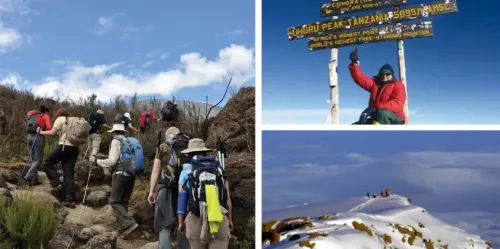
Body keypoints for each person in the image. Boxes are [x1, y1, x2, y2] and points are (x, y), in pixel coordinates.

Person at [177, 138, 233, 249]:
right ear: (205, 152)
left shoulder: (186, 172)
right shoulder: (219, 169)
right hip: (219, 219)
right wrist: (230, 219)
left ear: (189, 154)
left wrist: (181, 222)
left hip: (196, 219)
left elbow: (182, 198)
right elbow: (227, 198)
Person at [95, 123, 139, 239]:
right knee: (123, 202)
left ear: (114, 132)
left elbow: (112, 161)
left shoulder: (115, 141)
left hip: (120, 174)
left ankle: (129, 223)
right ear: (124, 132)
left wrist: (98, 162)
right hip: (132, 174)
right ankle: (123, 230)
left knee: (114, 201)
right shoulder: (130, 142)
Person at [148, 127, 190, 249]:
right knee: (184, 221)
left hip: (166, 188)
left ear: (167, 136)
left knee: (164, 223)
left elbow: (156, 169)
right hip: (185, 189)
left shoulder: (163, 147)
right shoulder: (188, 146)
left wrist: (151, 191)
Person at [348, 48, 406, 125]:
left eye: (387, 74)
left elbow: (397, 104)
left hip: (395, 118)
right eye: (382, 74)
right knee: (356, 125)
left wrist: (376, 107)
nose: (384, 76)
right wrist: (355, 63)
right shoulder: (375, 84)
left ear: (392, 75)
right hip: (377, 115)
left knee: (382, 112)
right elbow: (360, 78)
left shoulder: (398, 85)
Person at [38, 108, 80, 208]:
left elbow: (52, 133)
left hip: (64, 146)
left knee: (47, 163)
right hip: (75, 149)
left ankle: (58, 184)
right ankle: (69, 200)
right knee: (69, 173)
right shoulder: (73, 121)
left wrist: (41, 132)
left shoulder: (60, 119)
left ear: (58, 113)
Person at [24, 105, 52, 186]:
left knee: (34, 160)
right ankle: (28, 176)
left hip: (29, 137)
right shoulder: (45, 116)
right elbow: (49, 128)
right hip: (38, 137)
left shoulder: (32, 114)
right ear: (46, 111)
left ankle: (34, 180)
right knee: (38, 160)